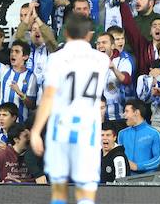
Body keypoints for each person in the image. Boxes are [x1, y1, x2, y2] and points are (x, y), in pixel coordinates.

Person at [29, 14, 111, 204]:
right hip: (88, 131)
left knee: (59, 190)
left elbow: (48, 96)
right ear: (90, 36)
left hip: (61, 128)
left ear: (65, 33)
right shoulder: (102, 60)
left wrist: (36, 131)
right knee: (86, 192)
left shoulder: (57, 59)